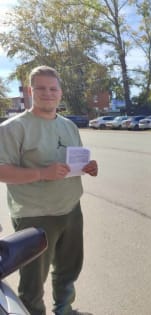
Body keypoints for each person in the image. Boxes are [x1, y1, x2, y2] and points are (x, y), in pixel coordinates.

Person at [0, 65, 98, 315]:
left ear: (60, 93)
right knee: (33, 280)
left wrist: (88, 167)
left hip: (70, 209)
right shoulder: (13, 128)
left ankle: (64, 309)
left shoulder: (68, 126)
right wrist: (42, 173)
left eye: (53, 88)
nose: (48, 93)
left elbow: (73, 160)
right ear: (31, 91)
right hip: (35, 215)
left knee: (69, 268)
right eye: (41, 88)